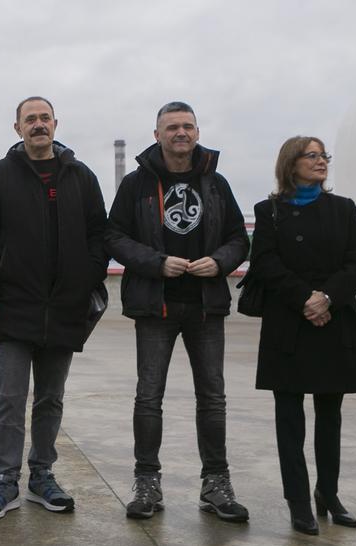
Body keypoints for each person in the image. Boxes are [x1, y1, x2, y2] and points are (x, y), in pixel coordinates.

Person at [105, 101, 250, 523]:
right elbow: (112, 235)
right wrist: (155, 262)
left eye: (187, 126)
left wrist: (220, 262)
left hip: (206, 306)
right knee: (149, 397)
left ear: (197, 132)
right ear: (157, 135)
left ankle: (216, 483)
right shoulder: (135, 184)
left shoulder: (216, 183)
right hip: (156, 305)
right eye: (171, 127)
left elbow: (239, 237)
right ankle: (147, 482)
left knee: (213, 398)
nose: (180, 133)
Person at [0, 97, 107, 520]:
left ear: (56, 124)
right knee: (10, 399)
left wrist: (85, 280)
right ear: (17, 128)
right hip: (14, 307)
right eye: (30, 119)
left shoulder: (80, 176)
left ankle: (41, 475)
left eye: (45, 118)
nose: (38, 125)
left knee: (51, 399)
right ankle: (4, 479)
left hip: (65, 308)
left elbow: (100, 234)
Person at [249, 136, 356, 535]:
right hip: (289, 323)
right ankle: (298, 501)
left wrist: (326, 299)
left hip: (334, 321)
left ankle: (329, 493)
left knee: (330, 415)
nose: (321, 162)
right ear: (291, 163)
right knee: (289, 417)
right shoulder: (268, 212)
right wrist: (305, 299)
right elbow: (266, 263)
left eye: (324, 156)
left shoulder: (343, 209)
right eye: (312, 156)